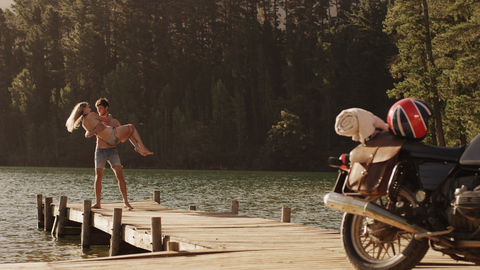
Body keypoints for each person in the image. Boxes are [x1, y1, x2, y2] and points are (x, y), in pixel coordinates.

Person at [66, 101, 153, 156]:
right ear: (84, 108)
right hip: (113, 133)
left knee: (128, 130)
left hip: (110, 140)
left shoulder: (84, 123)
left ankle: (137, 147)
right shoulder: (92, 115)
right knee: (131, 127)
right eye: (88, 107)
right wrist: (110, 114)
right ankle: (142, 147)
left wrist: (95, 130)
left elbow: (88, 134)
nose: (90, 108)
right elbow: (107, 119)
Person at [91, 98, 133, 210]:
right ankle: (98, 203)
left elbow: (122, 137)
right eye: (97, 109)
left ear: (106, 108)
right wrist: (95, 130)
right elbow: (88, 133)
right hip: (100, 150)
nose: (99, 110)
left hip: (112, 151)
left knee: (119, 175)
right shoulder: (96, 122)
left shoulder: (115, 122)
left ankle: (126, 202)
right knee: (98, 176)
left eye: (100, 108)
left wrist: (119, 140)